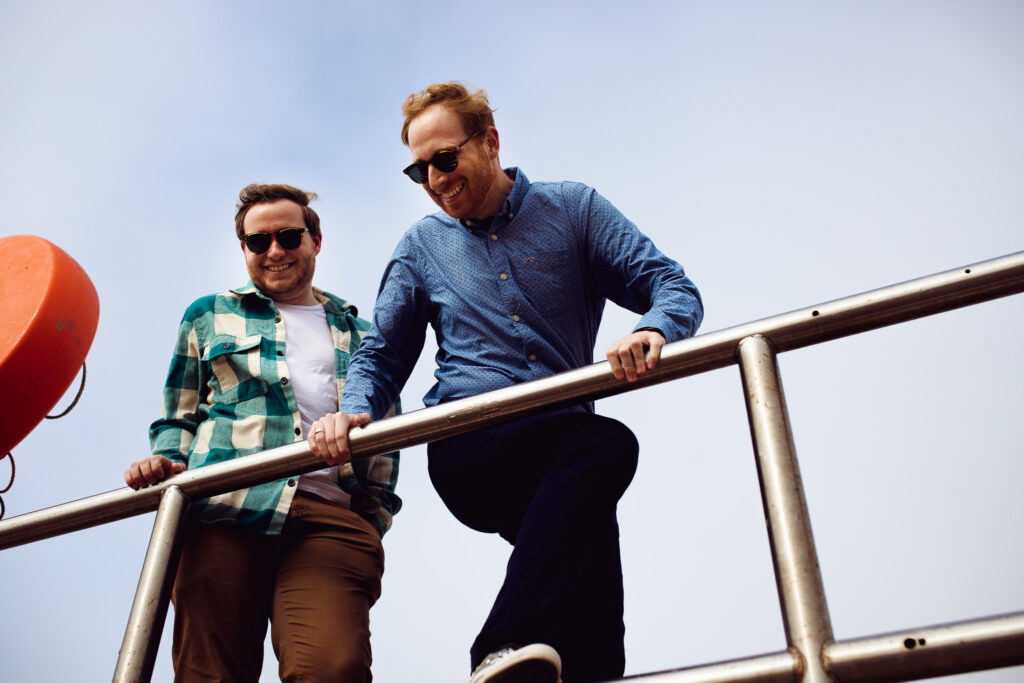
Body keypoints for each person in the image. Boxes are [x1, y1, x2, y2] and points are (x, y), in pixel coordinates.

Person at [310, 82, 702, 683]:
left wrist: (652, 329)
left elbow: (670, 284)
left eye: (446, 159)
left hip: (560, 447)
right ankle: (500, 643)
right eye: (420, 171)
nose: (437, 180)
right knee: (608, 445)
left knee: (594, 599)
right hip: (473, 444)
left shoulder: (572, 209)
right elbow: (381, 354)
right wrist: (354, 409)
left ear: (489, 141)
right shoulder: (421, 247)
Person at [124, 183, 400, 683]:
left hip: (328, 520)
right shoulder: (207, 316)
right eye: (259, 241)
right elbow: (178, 417)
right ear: (244, 249)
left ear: (316, 241)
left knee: (333, 668)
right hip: (223, 510)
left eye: (289, 237)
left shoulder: (363, 336)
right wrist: (166, 465)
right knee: (210, 673)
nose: (275, 251)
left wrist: (369, 518)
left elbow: (383, 441)